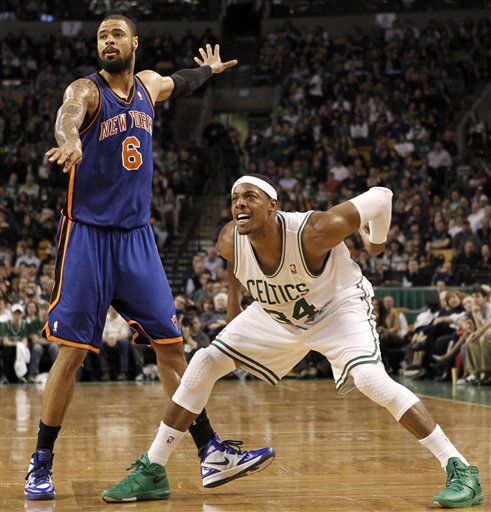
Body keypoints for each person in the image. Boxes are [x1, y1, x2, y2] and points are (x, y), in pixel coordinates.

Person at [105, 175, 483, 508]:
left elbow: (382, 196)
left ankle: (460, 468)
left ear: (273, 206)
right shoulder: (229, 239)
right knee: (204, 360)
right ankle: (154, 469)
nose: (239, 202)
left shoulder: (315, 230)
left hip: (338, 308)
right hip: (277, 312)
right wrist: (234, 310)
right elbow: (235, 267)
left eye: (250, 196)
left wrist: (376, 244)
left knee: (369, 379)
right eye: (235, 198)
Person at [24, 15, 272, 502]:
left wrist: (210, 73)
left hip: (136, 238)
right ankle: (40, 463)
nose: (107, 41)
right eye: (101, 35)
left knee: (172, 347)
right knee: (72, 353)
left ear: (134, 43)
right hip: (88, 235)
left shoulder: (148, 86)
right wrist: (68, 140)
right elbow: (67, 113)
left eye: (116, 34)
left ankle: (211, 454)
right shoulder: (88, 90)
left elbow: (179, 82)